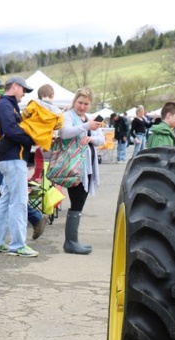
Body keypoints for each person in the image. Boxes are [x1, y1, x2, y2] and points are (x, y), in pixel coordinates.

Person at [0, 76, 38, 257]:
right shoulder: (6, 105)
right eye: (23, 90)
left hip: (7, 159)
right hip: (13, 159)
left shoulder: (3, 105)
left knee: (5, 201)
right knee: (18, 202)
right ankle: (17, 245)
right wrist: (33, 139)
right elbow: (11, 131)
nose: (24, 94)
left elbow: (9, 131)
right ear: (15, 87)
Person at [58, 86, 104, 255]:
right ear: (74, 101)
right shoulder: (68, 116)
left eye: (86, 103)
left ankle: (72, 241)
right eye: (80, 102)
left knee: (80, 202)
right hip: (74, 166)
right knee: (77, 201)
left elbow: (101, 140)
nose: (82, 106)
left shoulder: (90, 119)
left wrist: (91, 137)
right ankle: (70, 242)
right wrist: (86, 126)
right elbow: (64, 133)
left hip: (87, 167)